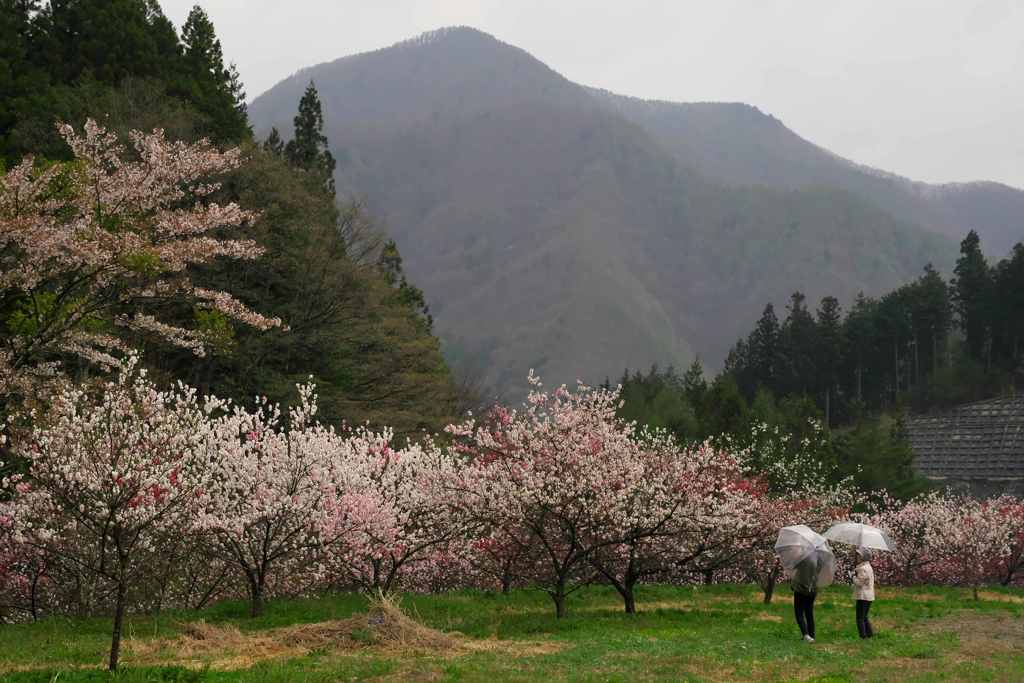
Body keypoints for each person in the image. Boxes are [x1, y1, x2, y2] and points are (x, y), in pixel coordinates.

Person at [791, 551, 820, 642]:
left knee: (799, 612)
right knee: (809, 612)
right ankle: (812, 635)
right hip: (813, 588)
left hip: (801, 587)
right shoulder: (819, 558)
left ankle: (806, 635)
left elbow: (794, 566)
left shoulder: (802, 556)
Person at [852, 547, 875, 638]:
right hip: (869, 595)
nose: (857, 557)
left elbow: (859, 583)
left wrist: (853, 577)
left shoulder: (863, 569)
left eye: (859, 555)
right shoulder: (868, 567)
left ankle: (863, 637)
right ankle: (869, 634)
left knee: (859, 618)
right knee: (864, 616)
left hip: (863, 596)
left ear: (863, 557)